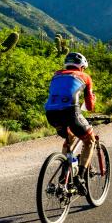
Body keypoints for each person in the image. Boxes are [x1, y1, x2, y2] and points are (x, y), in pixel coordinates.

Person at [44, 52, 96, 194]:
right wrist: (92, 99)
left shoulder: (56, 75)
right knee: (90, 141)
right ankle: (80, 177)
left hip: (51, 114)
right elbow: (89, 107)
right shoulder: (85, 77)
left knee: (70, 137)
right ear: (82, 67)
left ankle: (63, 177)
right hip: (71, 112)